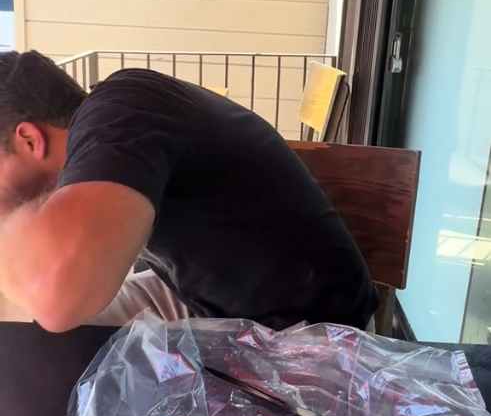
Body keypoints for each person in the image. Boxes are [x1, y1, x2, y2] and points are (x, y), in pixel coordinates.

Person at [0, 50, 379, 333]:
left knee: (54, 323)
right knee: (28, 325)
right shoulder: (111, 124)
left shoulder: (122, 111)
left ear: (30, 140)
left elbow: (59, 297)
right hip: (203, 296)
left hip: (306, 329)